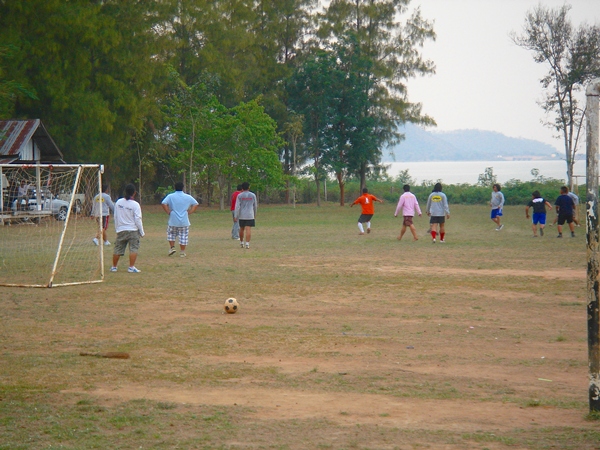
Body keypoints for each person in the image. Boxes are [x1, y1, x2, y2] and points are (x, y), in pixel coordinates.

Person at [111, 184, 144, 273]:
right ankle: (131, 267)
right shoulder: (135, 205)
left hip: (121, 229)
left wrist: (117, 228)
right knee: (133, 248)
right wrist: (141, 231)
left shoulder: (118, 202)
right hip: (133, 230)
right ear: (134, 193)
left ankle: (114, 267)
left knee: (118, 248)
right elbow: (138, 219)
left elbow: (115, 216)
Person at [161, 182, 199, 257]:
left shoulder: (171, 196)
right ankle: (182, 251)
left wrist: (168, 211)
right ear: (183, 188)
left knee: (171, 234)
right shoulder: (187, 197)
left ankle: (172, 247)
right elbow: (196, 204)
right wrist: (190, 212)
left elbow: (163, 203)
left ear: (175, 187)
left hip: (173, 219)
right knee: (184, 236)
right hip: (184, 220)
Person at [234, 181, 258, 249]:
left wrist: (236, 215)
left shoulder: (240, 195)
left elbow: (237, 206)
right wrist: (255, 214)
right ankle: (247, 243)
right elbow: (255, 206)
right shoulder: (253, 195)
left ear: (242, 188)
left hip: (242, 215)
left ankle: (241, 242)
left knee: (241, 228)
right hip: (250, 214)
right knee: (248, 229)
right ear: (249, 187)